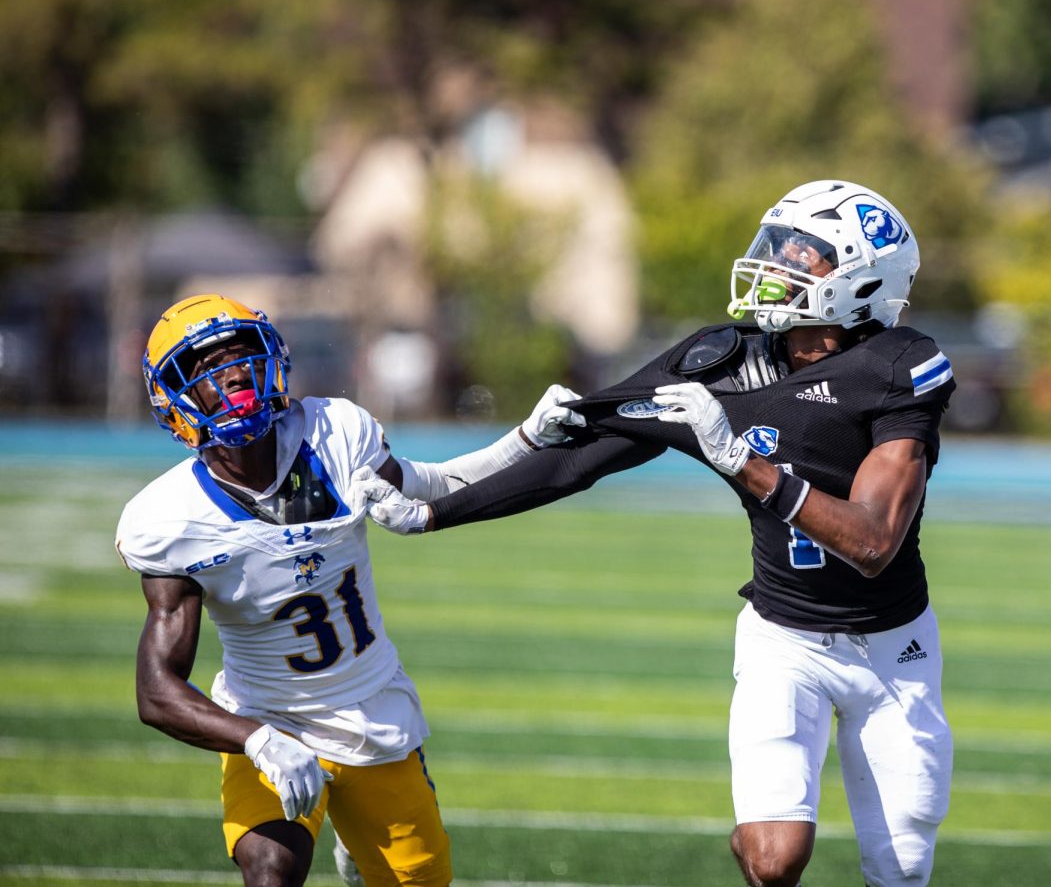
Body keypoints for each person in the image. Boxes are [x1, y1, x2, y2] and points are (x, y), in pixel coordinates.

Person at [362, 180, 956, 887]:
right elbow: (579, 455)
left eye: (807, 254)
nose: (779, 263)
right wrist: (435, 509)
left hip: (894, 650)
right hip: (784, 637)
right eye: (779, 245)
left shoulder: (898, 368)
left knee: (902, 865)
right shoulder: (721, 361)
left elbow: (870, 541)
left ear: (863, 281)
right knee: (774, 859)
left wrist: (743, 463)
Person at [115, 293, 582, 887]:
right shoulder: (168, 518)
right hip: (267, 713)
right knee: (269, 873)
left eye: (240, 355)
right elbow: (155, 692)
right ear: (176, 397)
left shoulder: (335, 433)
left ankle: (358, 856)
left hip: (371, 710)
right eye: (205, 367)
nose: (230, 373)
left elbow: (430, 486)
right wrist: (258, 740)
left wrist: (526, 440)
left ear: (271, 359)